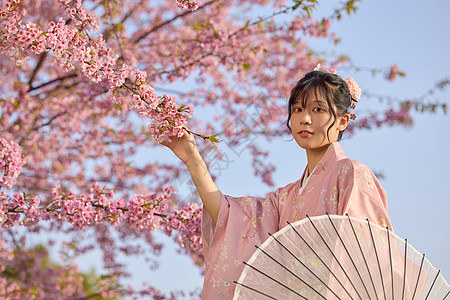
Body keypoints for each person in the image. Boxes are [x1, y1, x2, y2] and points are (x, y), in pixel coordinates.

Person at [163, 68, 392, 299]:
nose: (305, 118)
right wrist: (193, 160)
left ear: (343, 121)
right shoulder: (286, 197)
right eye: (298, 109)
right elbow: (230, 216)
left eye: (318, 109)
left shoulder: (351, 173)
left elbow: (366, 259)